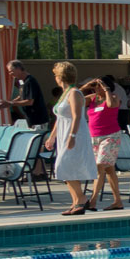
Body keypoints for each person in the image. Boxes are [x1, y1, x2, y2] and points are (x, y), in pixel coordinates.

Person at [49, 62, 98, 215]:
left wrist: (72, 136)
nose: (55, 78)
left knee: (63, 166)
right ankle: (76, 201)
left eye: (56, 75)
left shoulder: (75, 93)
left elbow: (77, 116)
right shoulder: (65, 93)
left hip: (74, 134)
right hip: (64, 134)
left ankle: (81, 199)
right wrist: (51, 137)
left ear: (60, 77)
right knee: (65, 169)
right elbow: (60, 117)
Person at [82, 79, 128, 210]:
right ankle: (118, 201)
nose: (97, 89)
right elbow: (74, 99)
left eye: (99, 87)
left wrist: (106, 89)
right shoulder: (91, 98)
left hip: (110, 136)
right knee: (109, 169)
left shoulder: (114, 97)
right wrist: (85, 86)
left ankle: (93, 201)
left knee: (99, 166)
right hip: (94, 137)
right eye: (95, 87)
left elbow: (111, 105)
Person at [1, 61, 51, 128]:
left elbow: (29, 101)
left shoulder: (30, 81)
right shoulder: (22, 81)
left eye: (11, 71)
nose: (10, 74)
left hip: (38, 119)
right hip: (30, 117)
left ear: (18, 69)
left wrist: (11, 103)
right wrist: (10, 102)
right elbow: (22, 94)